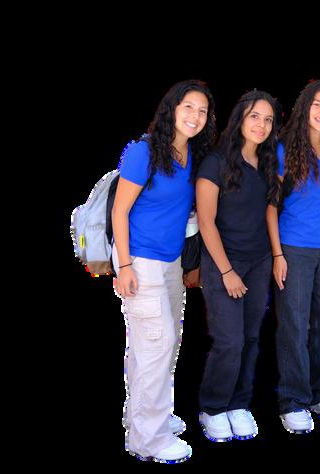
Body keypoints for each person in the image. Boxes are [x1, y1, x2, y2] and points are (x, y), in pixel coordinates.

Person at [112, 80, 216, 463]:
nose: (195, 116)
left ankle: (146, 415)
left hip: (170, 262)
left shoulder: (191, 153)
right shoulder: (144, 151)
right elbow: (120, 211)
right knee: (155, 345)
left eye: (202, 111)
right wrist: (125, 266)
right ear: (172, 108)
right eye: (188, 107)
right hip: (140, 260)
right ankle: (147, 439)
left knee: (162, 344)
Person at [195, 90, 282, 442]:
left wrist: (274, 256)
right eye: (254, 116)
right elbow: (206, 222)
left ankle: (238, 404)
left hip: (258, 261)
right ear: (240, 119)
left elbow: (268, 212)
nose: (261, 124)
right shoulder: (215, 162)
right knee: (229, 341)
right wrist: (227, 271)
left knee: (250, 337)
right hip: (224, 263)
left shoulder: (267, 162)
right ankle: (213, 407)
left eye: (268, 119)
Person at [266, 80, 320, 434]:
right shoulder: (284, 148)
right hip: (293, 248)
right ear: (305, 107)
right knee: (295, 325)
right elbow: (271, 206)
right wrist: (277, 254)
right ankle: (294, 400)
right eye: (318, 104)